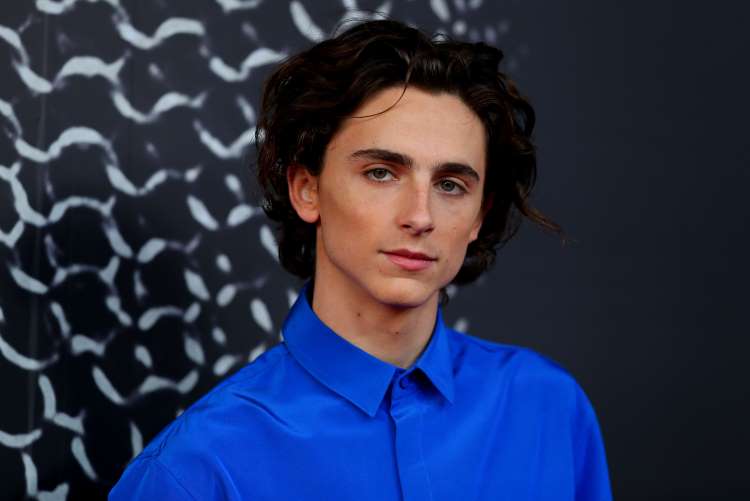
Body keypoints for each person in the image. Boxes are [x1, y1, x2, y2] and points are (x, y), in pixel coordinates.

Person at [110, 18, 612, 500]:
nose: (420, 216)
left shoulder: (549, 408)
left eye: (450, 185)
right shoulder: (197, 468)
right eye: (381, 173)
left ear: (480, 214)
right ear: (306, 189)